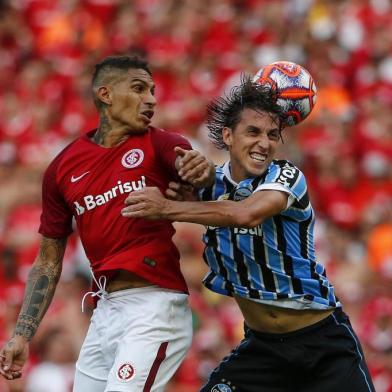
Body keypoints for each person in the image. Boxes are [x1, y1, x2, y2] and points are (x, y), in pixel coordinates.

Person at [121, 77, 376, 392]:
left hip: (323, 343)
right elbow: (180, 177)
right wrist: (180, 186)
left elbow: (246, 213)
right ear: (227, 136)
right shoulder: (210, 184)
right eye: (253, 132)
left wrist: (166, 207)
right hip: (263, 349)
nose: (264, 143)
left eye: (272, 135)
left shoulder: (287, 176)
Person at [0, 54, 215, 392]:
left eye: (153, 91)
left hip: (155, 306)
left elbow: (200, 176)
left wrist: (204, 173)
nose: (152, 99)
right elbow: (48, 260)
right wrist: (22, 334)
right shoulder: (62, 168)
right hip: (105, 312)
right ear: (105, 94)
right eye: (139, 88)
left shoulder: (161, 143)